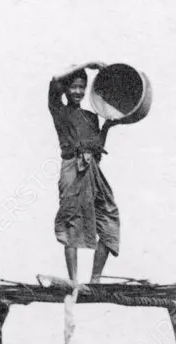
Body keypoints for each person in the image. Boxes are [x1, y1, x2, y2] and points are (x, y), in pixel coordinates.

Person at [49, 62, 121, 283]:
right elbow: (54, 81)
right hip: (72, 169)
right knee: (72, 221)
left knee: (109, 216)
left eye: (82, 87)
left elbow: (97, 152)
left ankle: (95, 280)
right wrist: (86, 64)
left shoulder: (91, 117)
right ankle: (73, 281)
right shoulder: (59, 111)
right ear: (66, 90)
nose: (78, 92)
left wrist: (107, 127)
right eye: (73, 87)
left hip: (93, 171)